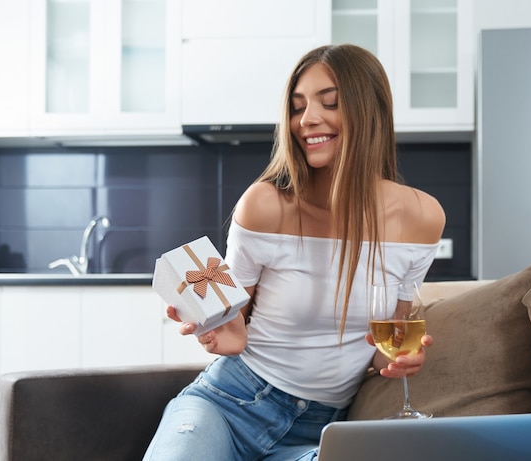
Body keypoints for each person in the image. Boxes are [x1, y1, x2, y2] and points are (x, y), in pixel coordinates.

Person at [143, 43, 445, 461]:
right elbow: (235, 319)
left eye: (330, 102)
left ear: (370, 112)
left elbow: (384, 341)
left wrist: (404, 356)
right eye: (298, 106)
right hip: (229, 404)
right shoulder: (265, 205)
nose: (308, 120)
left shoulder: (422, 217)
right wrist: (216, 325)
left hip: (320, 434)